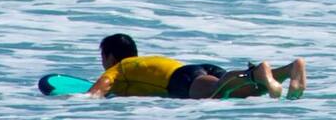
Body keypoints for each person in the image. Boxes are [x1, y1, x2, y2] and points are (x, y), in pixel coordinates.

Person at [85, 34, 307, 100]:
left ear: (110, 56)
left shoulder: (118, 68)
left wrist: (79, 101)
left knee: (219, 90)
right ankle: (289, 69)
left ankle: (257, 71)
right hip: (194, 70)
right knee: (251, 91)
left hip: (181, 79)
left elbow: (97, 92)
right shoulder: (140, 63)